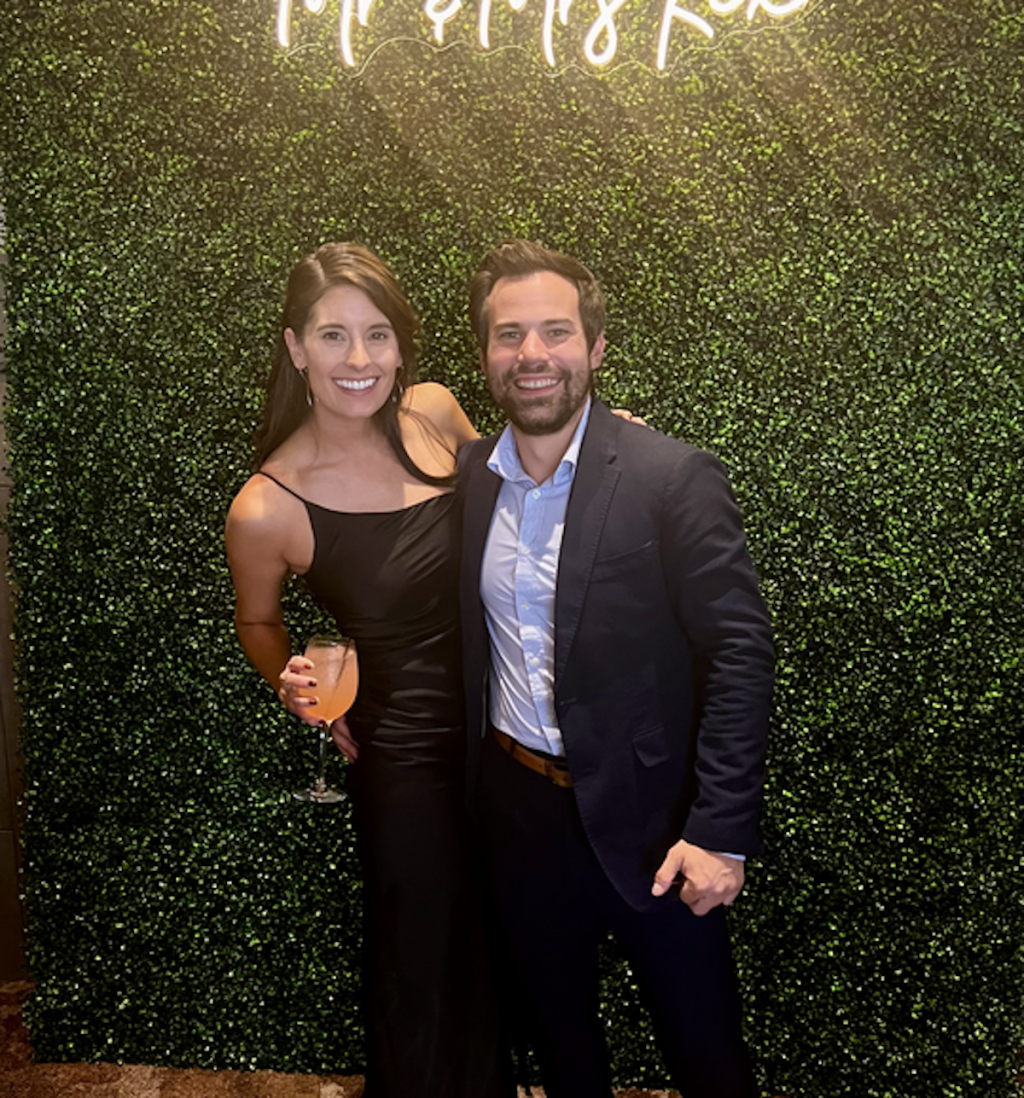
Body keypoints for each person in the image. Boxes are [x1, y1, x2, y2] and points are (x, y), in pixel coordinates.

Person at [457, 240, 775, 1098]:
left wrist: (719, 830)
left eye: (555, 332)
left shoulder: (671, 477)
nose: (531, 354)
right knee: (563, 1050)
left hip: (657, 825)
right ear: (485, 354)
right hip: (518, 818)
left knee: (707, 1056)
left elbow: (740, 652)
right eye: (508, 333)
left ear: (594, 350)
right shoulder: (466, 481)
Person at [224, 242, 510, 1098]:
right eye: (334, 336)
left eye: (377, 335)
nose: (360, 360)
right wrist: (294, 688)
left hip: (512, 723)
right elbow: (259, 621)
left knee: (501, 943)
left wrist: (607, 450)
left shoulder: (435, 412)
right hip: (404, 750)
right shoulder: (268, 504)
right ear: (295, 348)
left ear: (400, 344)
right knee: (419, 954)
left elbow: (522, 492)